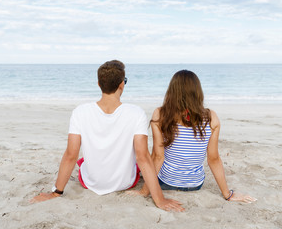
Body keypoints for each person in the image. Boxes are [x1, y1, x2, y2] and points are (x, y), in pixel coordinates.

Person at [30, 60, 184, 212]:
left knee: (82, 161)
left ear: (99, 84)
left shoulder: (80, 112)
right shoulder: (136, 113)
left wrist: (56, 192)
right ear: (121, 84)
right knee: (138, 162)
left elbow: (71, 155)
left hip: (91, 183)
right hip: (126, 183)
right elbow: (142, 157)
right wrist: (160, 199)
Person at [132, 70, 256, 203]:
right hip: (195, 185)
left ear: (172, 92)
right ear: (198, 92)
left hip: (165, 182)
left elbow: (158, 156)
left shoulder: (161, 114)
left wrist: (144, 191)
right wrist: (228, 194)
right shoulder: (211, 117)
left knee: (139, 165)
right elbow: (213, 159)